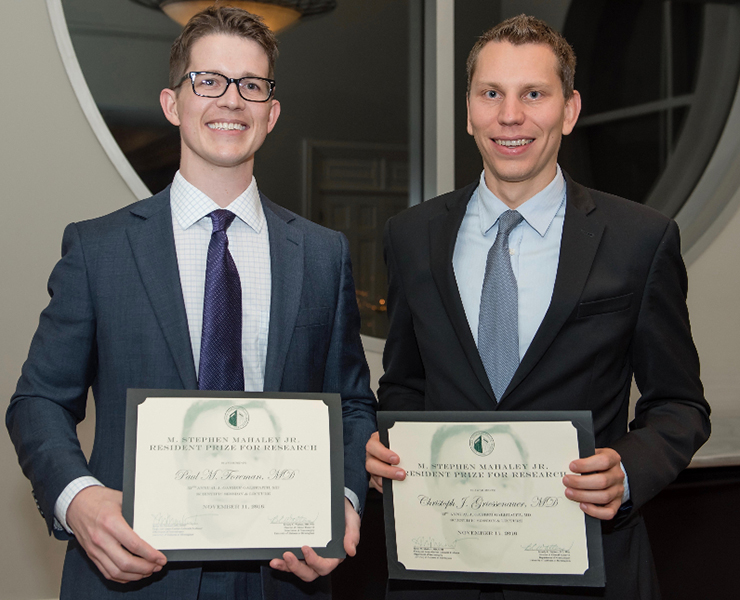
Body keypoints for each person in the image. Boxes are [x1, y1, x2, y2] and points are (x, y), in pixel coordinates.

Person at [6, 6, 376, 600]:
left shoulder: (322, 255)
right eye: (209, 81)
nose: (231, 100)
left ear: (272, 113)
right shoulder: (99, 248)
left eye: (251, 85)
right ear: (172, 103)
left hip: (284, 576)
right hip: (133, 576)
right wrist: (78, 499)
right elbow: (38, 401)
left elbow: (354, 405)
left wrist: (345, 500)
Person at [366, 14, 710, 600]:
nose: (510, 116)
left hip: (588, 565)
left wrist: (628, 470)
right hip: (441, 570)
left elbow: (679, 404)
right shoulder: (410, 236)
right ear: (469, 108)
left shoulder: (639, 238)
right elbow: (404, 384)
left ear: (569, 110)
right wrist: (386, 438)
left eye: (534, 94)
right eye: (491, 93)